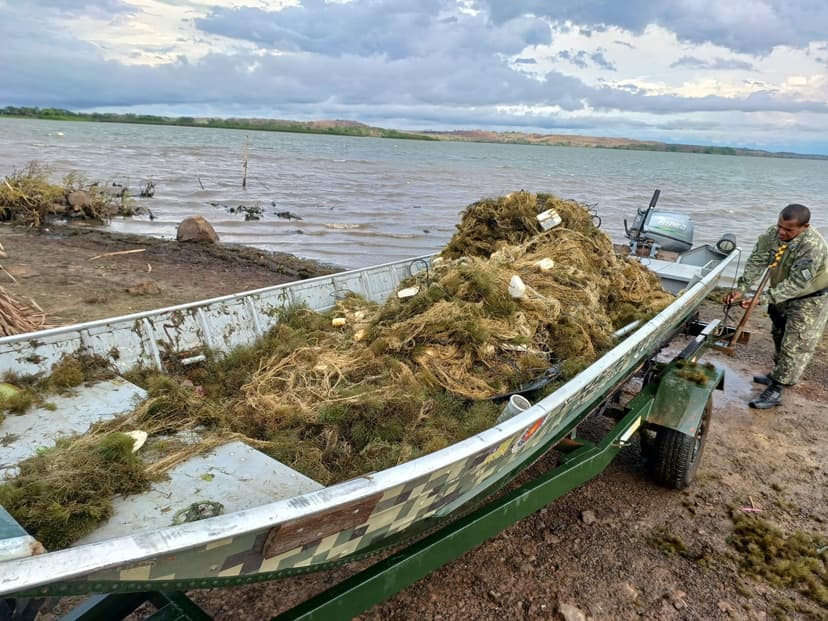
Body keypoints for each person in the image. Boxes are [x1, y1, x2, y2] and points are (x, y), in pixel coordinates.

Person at [723, 203, 828, 409]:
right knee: (778, 334)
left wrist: (762, 299)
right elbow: (757, 260)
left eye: (788, 230)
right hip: (782, 294)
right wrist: (743, 288)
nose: (781, 232)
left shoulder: (812, 246)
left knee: (795, 343)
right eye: (779, 226)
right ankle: (778, 373)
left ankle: (777, 388)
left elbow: (798, 283)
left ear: (804, 227)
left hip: (810, 298)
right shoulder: (773, 235)